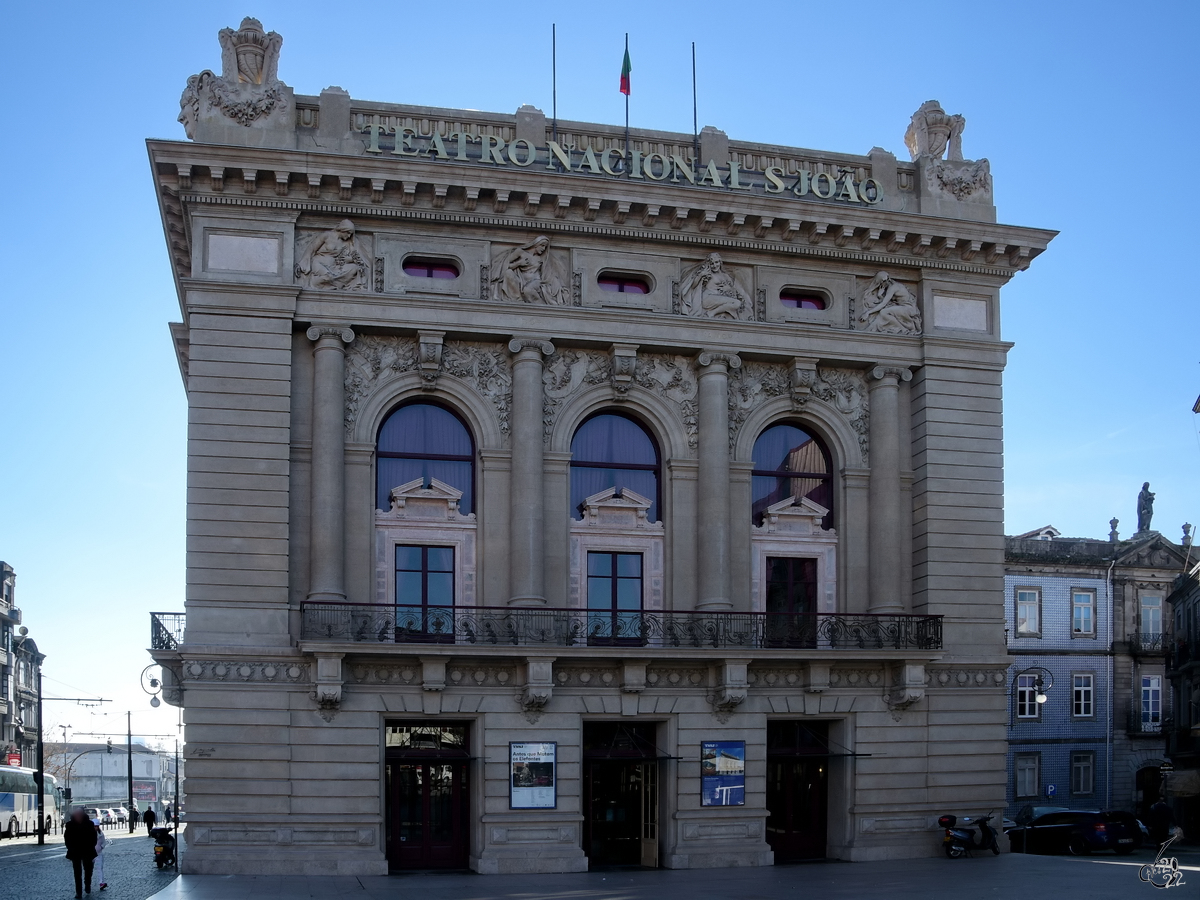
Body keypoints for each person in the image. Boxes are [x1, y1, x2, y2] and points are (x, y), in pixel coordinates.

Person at [64, 808, 98, 899]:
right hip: (75, 852)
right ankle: (78, 892)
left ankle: (87, 885)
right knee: (77, 872)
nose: (78, 816)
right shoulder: (70, 825)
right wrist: (70, 848)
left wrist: (91, 846)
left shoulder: (89, 824)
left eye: (79, 815)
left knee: (88, 870)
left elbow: (94, 837)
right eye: (76, 815)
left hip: (87, 850)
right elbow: (67, 838)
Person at [93, 819, 107, 891]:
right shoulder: (88, 833)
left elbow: (104, 842)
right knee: (88, 870)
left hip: (98, 853)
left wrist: (101, 847)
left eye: (97, 826)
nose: (95, 827)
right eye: (94, 826)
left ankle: (101, 882)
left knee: (99, 868)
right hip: (90, 853)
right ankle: (87, 884)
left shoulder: (101, 834)